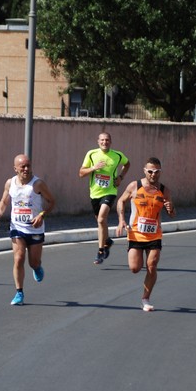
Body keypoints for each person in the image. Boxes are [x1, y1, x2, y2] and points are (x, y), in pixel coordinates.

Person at [0, 154, 56, 306]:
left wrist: (42, 215)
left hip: (35, 229)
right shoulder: (10, 183)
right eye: (23, 167)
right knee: (18, 257)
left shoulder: (38, 184)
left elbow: (52, 202)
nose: (26, 169)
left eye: (28, 166)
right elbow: (4, 201)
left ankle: (37, 267)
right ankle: (19, 293)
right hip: (17, 227)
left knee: (33, 263)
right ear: (15, 169)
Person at [116, 157, 176, 311]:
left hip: (154, 234)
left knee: (152, 265)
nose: (153, 174)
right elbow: (121, 201)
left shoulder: (164, 191)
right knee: (135, 268)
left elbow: (172, 214)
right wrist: (121, 220)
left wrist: (170, 209)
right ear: (144, 171)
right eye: (150, 171)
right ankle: (138, 268)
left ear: (160, 172)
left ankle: (145, 299)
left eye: (156, 172)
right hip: (135, 233)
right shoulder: (135, 186)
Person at [79, 131, 130, 264]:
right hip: (95, 193)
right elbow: (81, 173)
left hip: (110, 191)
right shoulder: (91, 154)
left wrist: (120, 177)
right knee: (100, 221)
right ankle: (107, 241)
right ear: (98, 141)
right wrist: (93, 168)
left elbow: (127, 164)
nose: (104, 142)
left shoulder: (117, 155)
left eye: (107, 140)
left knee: (101, 219)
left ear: (110, 142)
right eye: (102, 140)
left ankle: (101, 251)